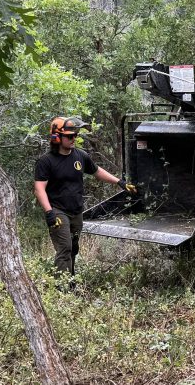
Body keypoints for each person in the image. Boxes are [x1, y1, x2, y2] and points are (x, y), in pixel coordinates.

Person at [34, 116, 136, 278]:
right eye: (69, 136)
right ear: (57, 137)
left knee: (73, 248)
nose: (73, 139)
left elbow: (97, 171)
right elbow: (39, 189)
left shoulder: (80, 156)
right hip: (58, 210)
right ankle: (61, 288)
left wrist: (119, 182)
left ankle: (71, 279)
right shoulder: (46, 161)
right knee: (65, 247)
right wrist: (49, 213)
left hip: (76, 211)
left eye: (75, 135)